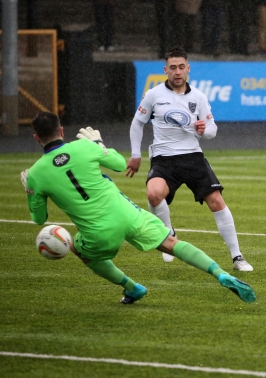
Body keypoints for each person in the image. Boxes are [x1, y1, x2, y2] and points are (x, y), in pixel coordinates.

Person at [20, 112, 256, 305]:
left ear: (35, 137)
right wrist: (98, 144)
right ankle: (219, 273)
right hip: (127, 212)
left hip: (98, 232)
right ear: (61, 131)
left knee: (79, 250)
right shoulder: (83, 147)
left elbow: (40, 219)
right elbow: (120, 164)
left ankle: (132, 288)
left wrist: (30, 190)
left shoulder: (36, 174)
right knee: (171, 243)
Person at [126, 46, 253, 272]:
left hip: (193, 157)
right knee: (153, 194)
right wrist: (136, 154)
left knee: (216, 201)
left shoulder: (199, 97)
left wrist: (204, 129)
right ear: (165, 70)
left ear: (188, 69)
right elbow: (137, 123)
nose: (177, 72)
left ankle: (237, 257)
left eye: (181, 67)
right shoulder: (153, 95)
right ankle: (169, 234)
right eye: (173, 67)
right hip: (164, 159)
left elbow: (212, 130)